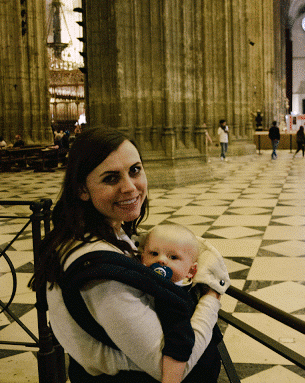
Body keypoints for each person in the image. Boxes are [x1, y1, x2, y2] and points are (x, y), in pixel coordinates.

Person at [29, 126, 230, 383]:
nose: (130, 187)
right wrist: (212, 293)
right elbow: (174, 367)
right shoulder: (104, 280)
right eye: (111, 178)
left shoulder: (88, 233)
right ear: (82, 189)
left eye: (135, 170)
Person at [138, 224, 205, 383]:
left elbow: (180, 340)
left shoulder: (173, 299)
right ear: (142, 259)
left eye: (173, 257)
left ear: (191, 271)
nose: (161, 260)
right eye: (153, 253)